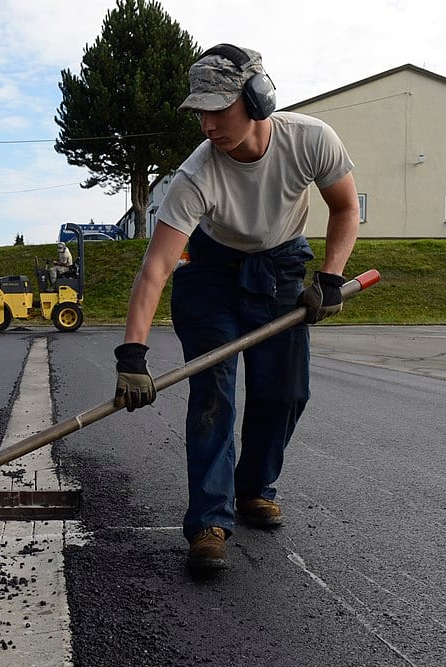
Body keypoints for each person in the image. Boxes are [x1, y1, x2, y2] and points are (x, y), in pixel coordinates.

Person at [112, 44, 359, 571]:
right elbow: (156, 267)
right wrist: (131, 356)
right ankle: (208, 521)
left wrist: (332, 278)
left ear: (258, 99)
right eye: (200, 112)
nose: (207, 125)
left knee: (286, 392)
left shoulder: (311, 140)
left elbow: (344, 208)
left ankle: (253, 489)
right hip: (211, 274)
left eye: (219, 109)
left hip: (282, 267)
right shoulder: (195, 176)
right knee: (213, 394)